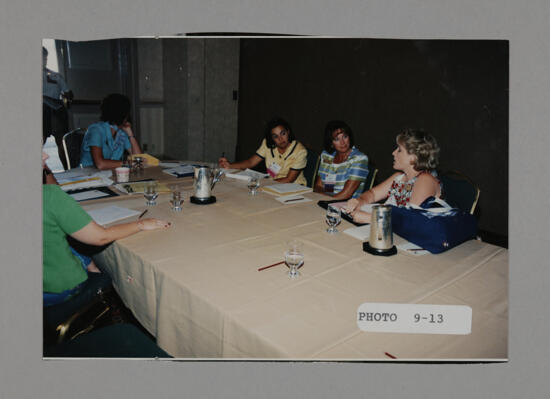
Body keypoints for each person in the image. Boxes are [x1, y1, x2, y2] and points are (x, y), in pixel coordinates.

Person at [43, 153, 171, 306]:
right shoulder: (50, 197)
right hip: (60, 290)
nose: (46, 155)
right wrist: (141, 224)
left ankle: (91, 265)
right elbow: (100, 237)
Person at [345, 128, 441, 224]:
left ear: (413, 157)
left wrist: (373, 218)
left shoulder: (425, 179)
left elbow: (412, 220)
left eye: (399, 150)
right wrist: (359, 201)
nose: (393, 153)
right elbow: (372, 195)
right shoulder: (399, 177)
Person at [218, 117, 308, 185]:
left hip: (294, 188)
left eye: (283, 133)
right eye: (275, 136)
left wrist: (264, 184)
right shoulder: (267, 144)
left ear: (288, 132)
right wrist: (229, 165)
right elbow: (251, 162)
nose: (281, 139)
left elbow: (289, 179)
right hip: (272, 186)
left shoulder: (300, 151)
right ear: (271, 138)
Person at [80, 93, 142, 170]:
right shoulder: (96, 130)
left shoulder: (121, 132)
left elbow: (138, 159)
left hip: (109, 174)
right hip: (88, 174)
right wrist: (128, 163)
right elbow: (100, 164)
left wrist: (130, 133)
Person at [314, 120, 369, 199]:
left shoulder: (359, 159)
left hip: (346, 206)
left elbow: (345, 195)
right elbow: (318, 186)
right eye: (337, 139)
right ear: (331, 143)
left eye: (345, 137)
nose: (342, 142)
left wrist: (325, 200)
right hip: (325, 201)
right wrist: (324, 199)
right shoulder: (327, 156)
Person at [42, 46, 73, 145]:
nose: (44, 59)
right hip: (43, 111)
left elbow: (68, 94)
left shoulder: (56, 76)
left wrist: (66, 100)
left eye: (45, 57)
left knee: (62, 142)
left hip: (56, 111)